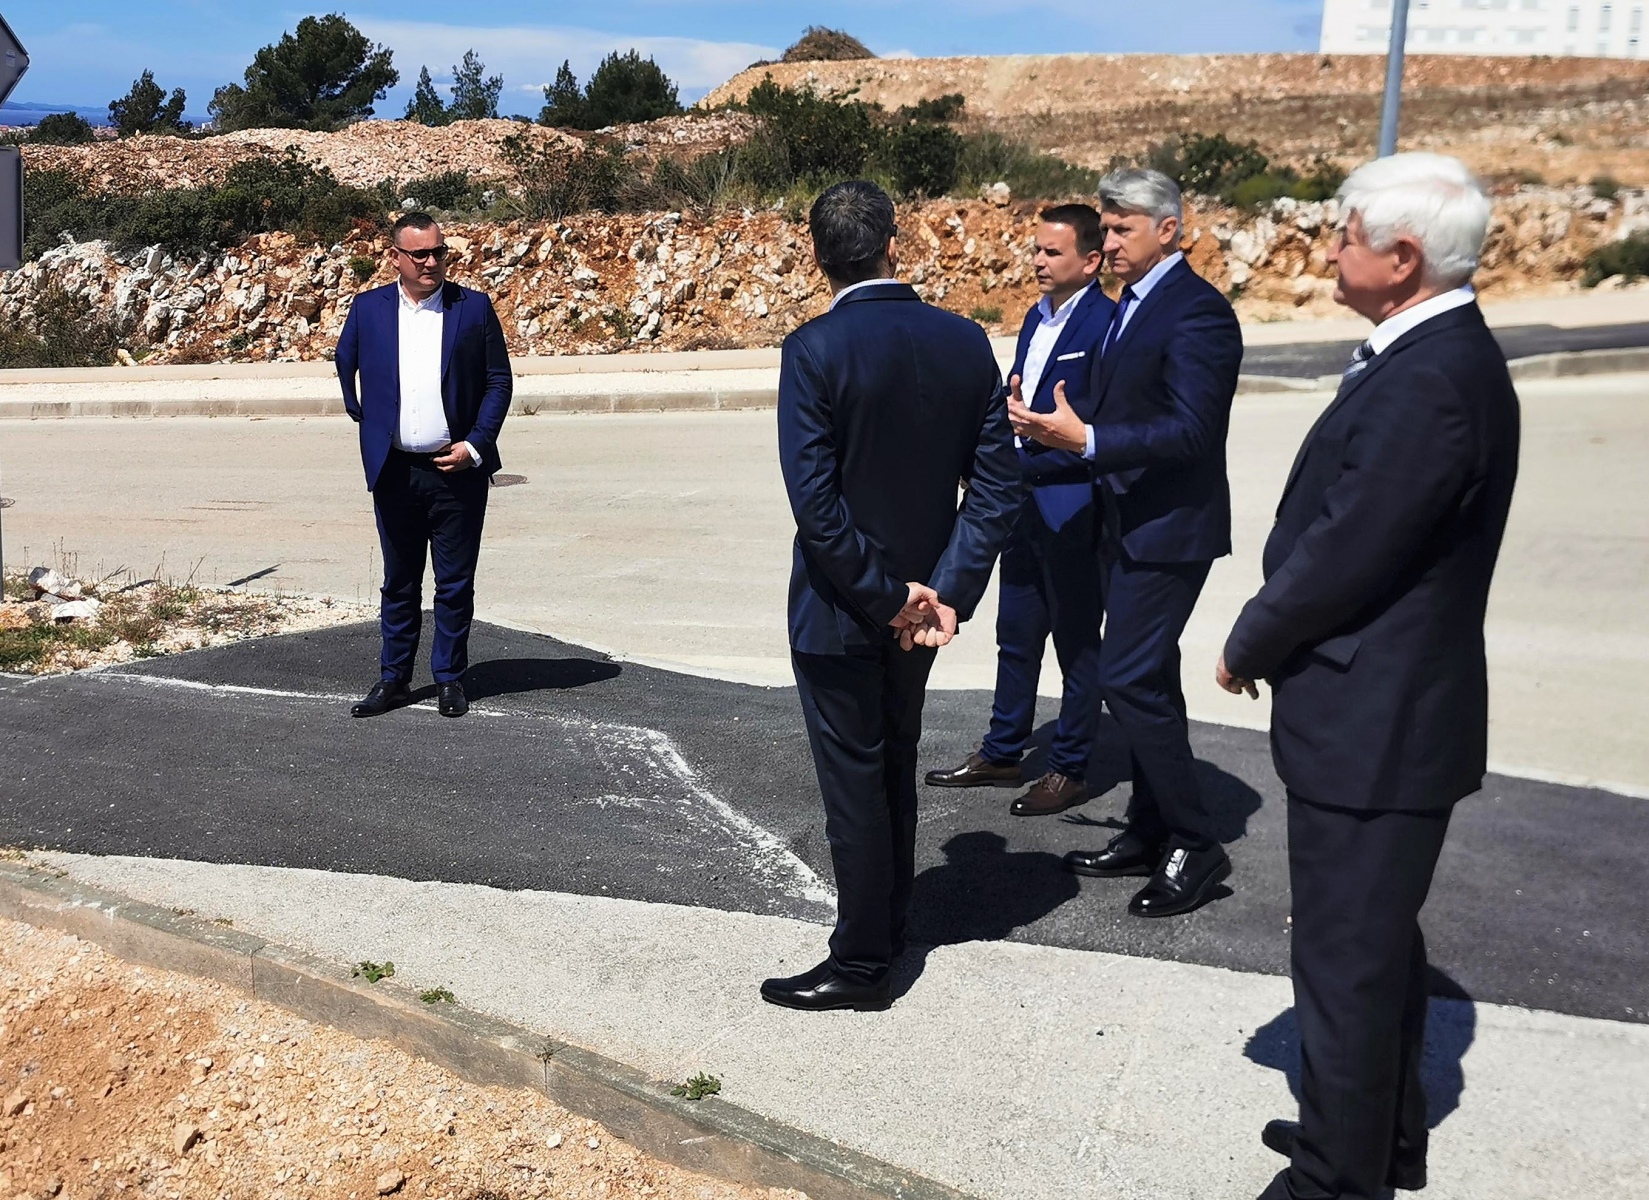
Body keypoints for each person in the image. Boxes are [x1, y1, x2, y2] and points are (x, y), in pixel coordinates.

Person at [1218, 153, 1517, 1200]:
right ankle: (1375, 1141)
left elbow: (1348, 550)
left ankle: (1334, 1180)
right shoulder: (1429, 355)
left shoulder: (1431, 379)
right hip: (1383, 715)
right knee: (1372, 949)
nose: (1328, 251)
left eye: (1343, 236)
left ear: (1401, 258)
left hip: (1375, 723)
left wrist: (1247, 641)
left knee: (1343, 963)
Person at [762, 181, 1021, 1012]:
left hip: (843, 608)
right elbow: (996, 487)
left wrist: (886, 597)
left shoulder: (813, 348)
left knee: (854, 784)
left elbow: (816, 507)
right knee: (893, 764)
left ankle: (863, 962)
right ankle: (888, 925)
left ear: (817, 257)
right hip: (925, 613)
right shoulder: (963, 340)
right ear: (893, 246)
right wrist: (944, 591)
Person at [1009, 168, 1243, 918]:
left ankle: (1195, 842)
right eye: (1104, 229)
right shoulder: (1131, 304)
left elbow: (1192, 429)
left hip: (1169, 530)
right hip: (1122, 522)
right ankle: (1148, 829)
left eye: (1120, 229)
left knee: (1128, 678)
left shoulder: (1198, 312)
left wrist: (1087, 440)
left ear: (1168, 230)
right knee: (1152, 681)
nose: (1107, 242)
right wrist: (1059, 435)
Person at [926, 205, 1114, 818]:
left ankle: (1070, 767)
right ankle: (1003, 751)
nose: (1037, 261)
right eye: (1036, 249)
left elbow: (1101, 425)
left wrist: (1049, 437)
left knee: (1077, 643)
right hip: (1022, 499)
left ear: (1091, 260)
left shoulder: (1107, 324)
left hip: (1073, 505)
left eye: (1052, 252)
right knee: (1017, 632)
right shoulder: (1036, 317)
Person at [335, 212, 512, 720]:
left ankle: (449, 679)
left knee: (454, 584)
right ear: (396, 257)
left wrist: (475, 445)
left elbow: (499, 381)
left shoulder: (472, 307)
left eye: (438, 251)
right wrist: (364, 418)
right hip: (394, 470)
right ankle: (393, 679)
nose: (431, 262)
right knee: (399, 581)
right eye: (420, 254)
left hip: (456, 470)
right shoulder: (368, 308)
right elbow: (345, 361)